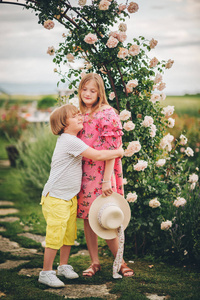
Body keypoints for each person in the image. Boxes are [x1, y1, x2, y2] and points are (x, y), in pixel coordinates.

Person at [38, 104, 124, 288]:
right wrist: (118, 152)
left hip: (68, 198)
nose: (80, 118)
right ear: (63, 123)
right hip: (56, 197)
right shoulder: (69, 140)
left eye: (80, 114)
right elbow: (97, 154)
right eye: (75, 116)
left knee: (68, 234)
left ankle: (63, 266)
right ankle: (46, 272)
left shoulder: (73, 138)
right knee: (55, 234)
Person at [77, 73, 134, 277]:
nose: (88, 94)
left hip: (103, 174)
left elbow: (113, 150)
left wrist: (106, 180)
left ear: (100, 92)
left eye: (92, 90)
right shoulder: (80, 113)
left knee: (107, 214)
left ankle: (120, 261)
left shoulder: (108, 113)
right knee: (88, 217)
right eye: (84, 89)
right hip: (84, 174)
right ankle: (94, 262)